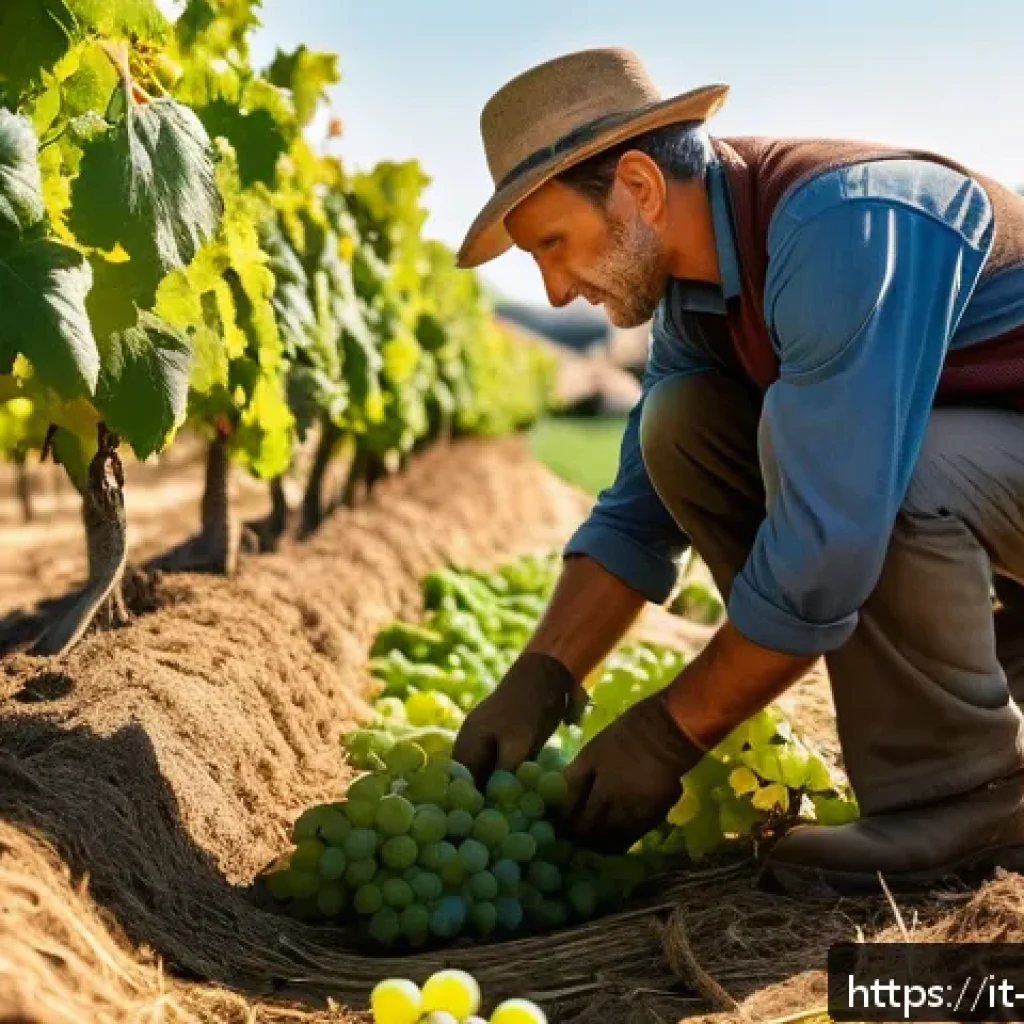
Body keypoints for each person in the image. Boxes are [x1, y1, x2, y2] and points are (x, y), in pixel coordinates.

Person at [450, 46, 1024, 895]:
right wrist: (546, 671)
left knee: (883, 474)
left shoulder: (836, 227)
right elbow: (639, 514)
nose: (557, 289)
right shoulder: (696, 291)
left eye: (553, 244)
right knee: (678, 426)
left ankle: (967, 794)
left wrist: (667, 733)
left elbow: (830, 538)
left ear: (640, 189)